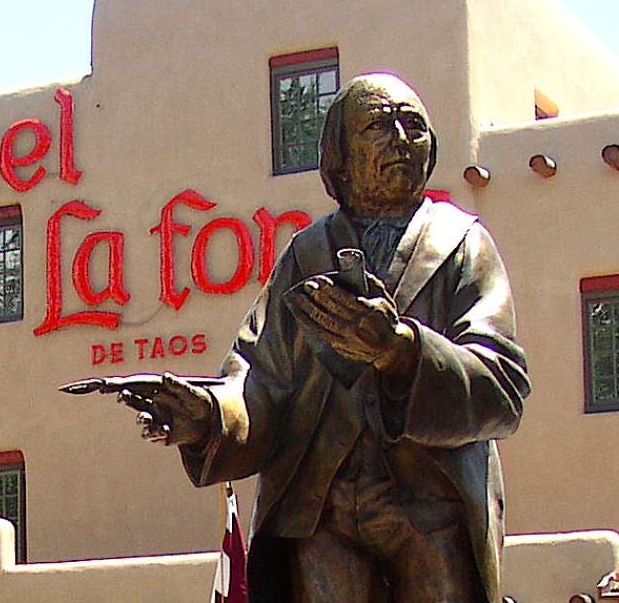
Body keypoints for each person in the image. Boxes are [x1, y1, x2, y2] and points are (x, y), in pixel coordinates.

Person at [117, 73, 529, 603]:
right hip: (321, 514)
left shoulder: (463, 244)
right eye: (379, 125)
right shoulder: (306, 254)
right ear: (339, 155)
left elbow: (503, 388)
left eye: (414, 126)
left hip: (432, 511)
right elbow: (261, 380)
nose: (401, 137)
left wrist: (402, 352)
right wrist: (210, 416)